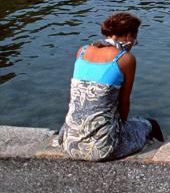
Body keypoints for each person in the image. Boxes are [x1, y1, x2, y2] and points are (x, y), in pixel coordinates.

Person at [59, 12, 163, 161]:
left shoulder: (81, 51)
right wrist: (124, 128)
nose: (133, 44)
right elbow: (124, 103)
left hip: (69, 143)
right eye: (135, 39)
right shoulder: (125, 59)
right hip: (103, 148)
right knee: (148, 124)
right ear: (128, 36)